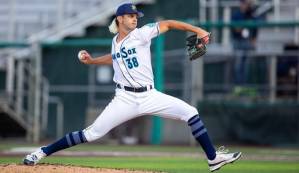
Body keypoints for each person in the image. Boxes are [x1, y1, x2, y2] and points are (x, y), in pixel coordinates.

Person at [23, 3, 241, 172]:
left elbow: (170, 23)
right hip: (124, 99)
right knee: (91, 134)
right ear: (120, 19)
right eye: (131, 16)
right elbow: (115, 58)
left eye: (136, 16)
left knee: (191, 113)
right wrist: (92, 61)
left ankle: (213, 159)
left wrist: (198, 30)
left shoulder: (142, 33)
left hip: (150, 95)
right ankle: (41, 152)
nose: (135, 19)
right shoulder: (116, 41)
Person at [231, 0, 257, 90]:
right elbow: (235, 29)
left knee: (246, 67)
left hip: (247, 42)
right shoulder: (236, 15)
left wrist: (253, 40)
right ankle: (238, 87)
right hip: (238, 42)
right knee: (238, 66)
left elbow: (255, 27)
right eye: (243, 3)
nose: (244, 5)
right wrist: (243, 26)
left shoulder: (250, 14)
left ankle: (245, 87)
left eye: (246, 3)